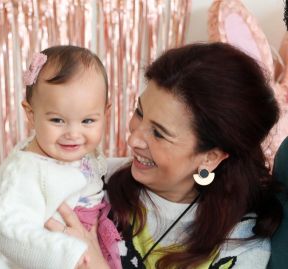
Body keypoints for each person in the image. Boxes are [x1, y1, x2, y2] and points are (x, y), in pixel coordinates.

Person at [46, 42, 283, 269]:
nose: (133, 140)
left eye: (159, 134)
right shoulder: (88, 180)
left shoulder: (240, 245)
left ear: (210, 157)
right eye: (139, 113)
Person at [0, 45, 120, 269]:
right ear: (31, 113)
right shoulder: (26, 170)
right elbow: (8, 230)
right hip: (48, 257)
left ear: (105, 113)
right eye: (57, 120)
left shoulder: (87, 154)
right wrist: (66, 255)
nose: (73, 134)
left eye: (88, 121)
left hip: (87, 247)